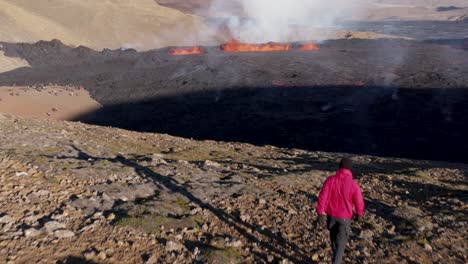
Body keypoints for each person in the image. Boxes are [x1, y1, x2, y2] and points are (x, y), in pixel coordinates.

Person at [316, 158, 365, 264]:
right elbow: (359, 201)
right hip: (345, 218)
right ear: (350, 169)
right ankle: (336, 261)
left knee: (334, 241)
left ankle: (335, 259)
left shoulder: (330, 180)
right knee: (340, 246)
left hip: (331, 216)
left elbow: (322, 197)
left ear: (339, 167)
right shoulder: (353, 184)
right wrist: (359, 213)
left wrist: (320, 212)